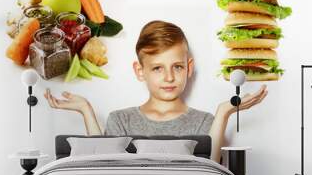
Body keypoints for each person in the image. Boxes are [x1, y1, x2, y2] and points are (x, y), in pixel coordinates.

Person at [44, 20, 268, 163]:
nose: (169, 77)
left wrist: (224, 113)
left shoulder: (204, 122)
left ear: (189, 68)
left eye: (177, 67)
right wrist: (86, 110)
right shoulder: (120, 119)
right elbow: (103, 164)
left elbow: (212, 170)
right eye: (158, 68)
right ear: (140, 71)